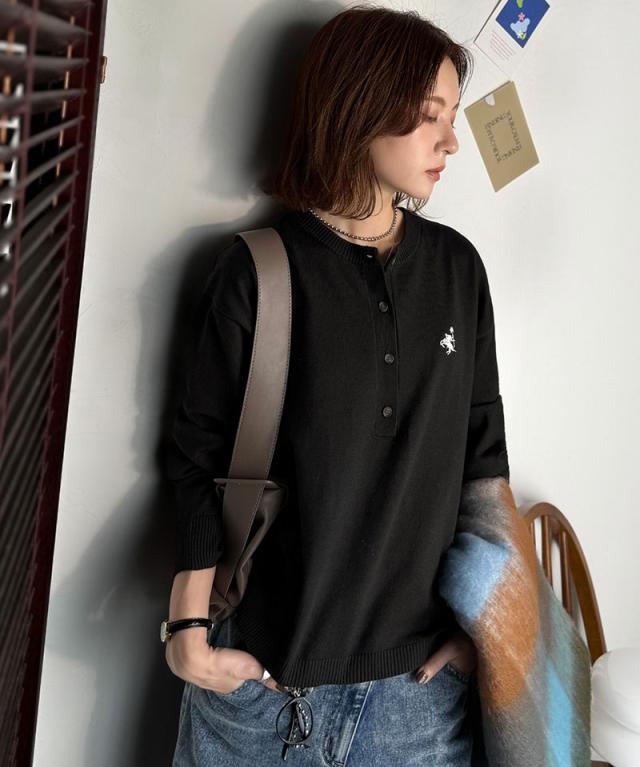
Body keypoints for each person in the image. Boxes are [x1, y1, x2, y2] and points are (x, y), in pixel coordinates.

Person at [164, 5, 510, 766]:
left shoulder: (457, 270)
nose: (451, 140)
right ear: (360, 106)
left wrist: (481, 629)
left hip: (420, 702)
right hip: (262, 691)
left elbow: (483, 461)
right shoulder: (258, 270)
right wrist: (187, 634)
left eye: (452, 116)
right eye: (429, 115)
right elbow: (197, 459)